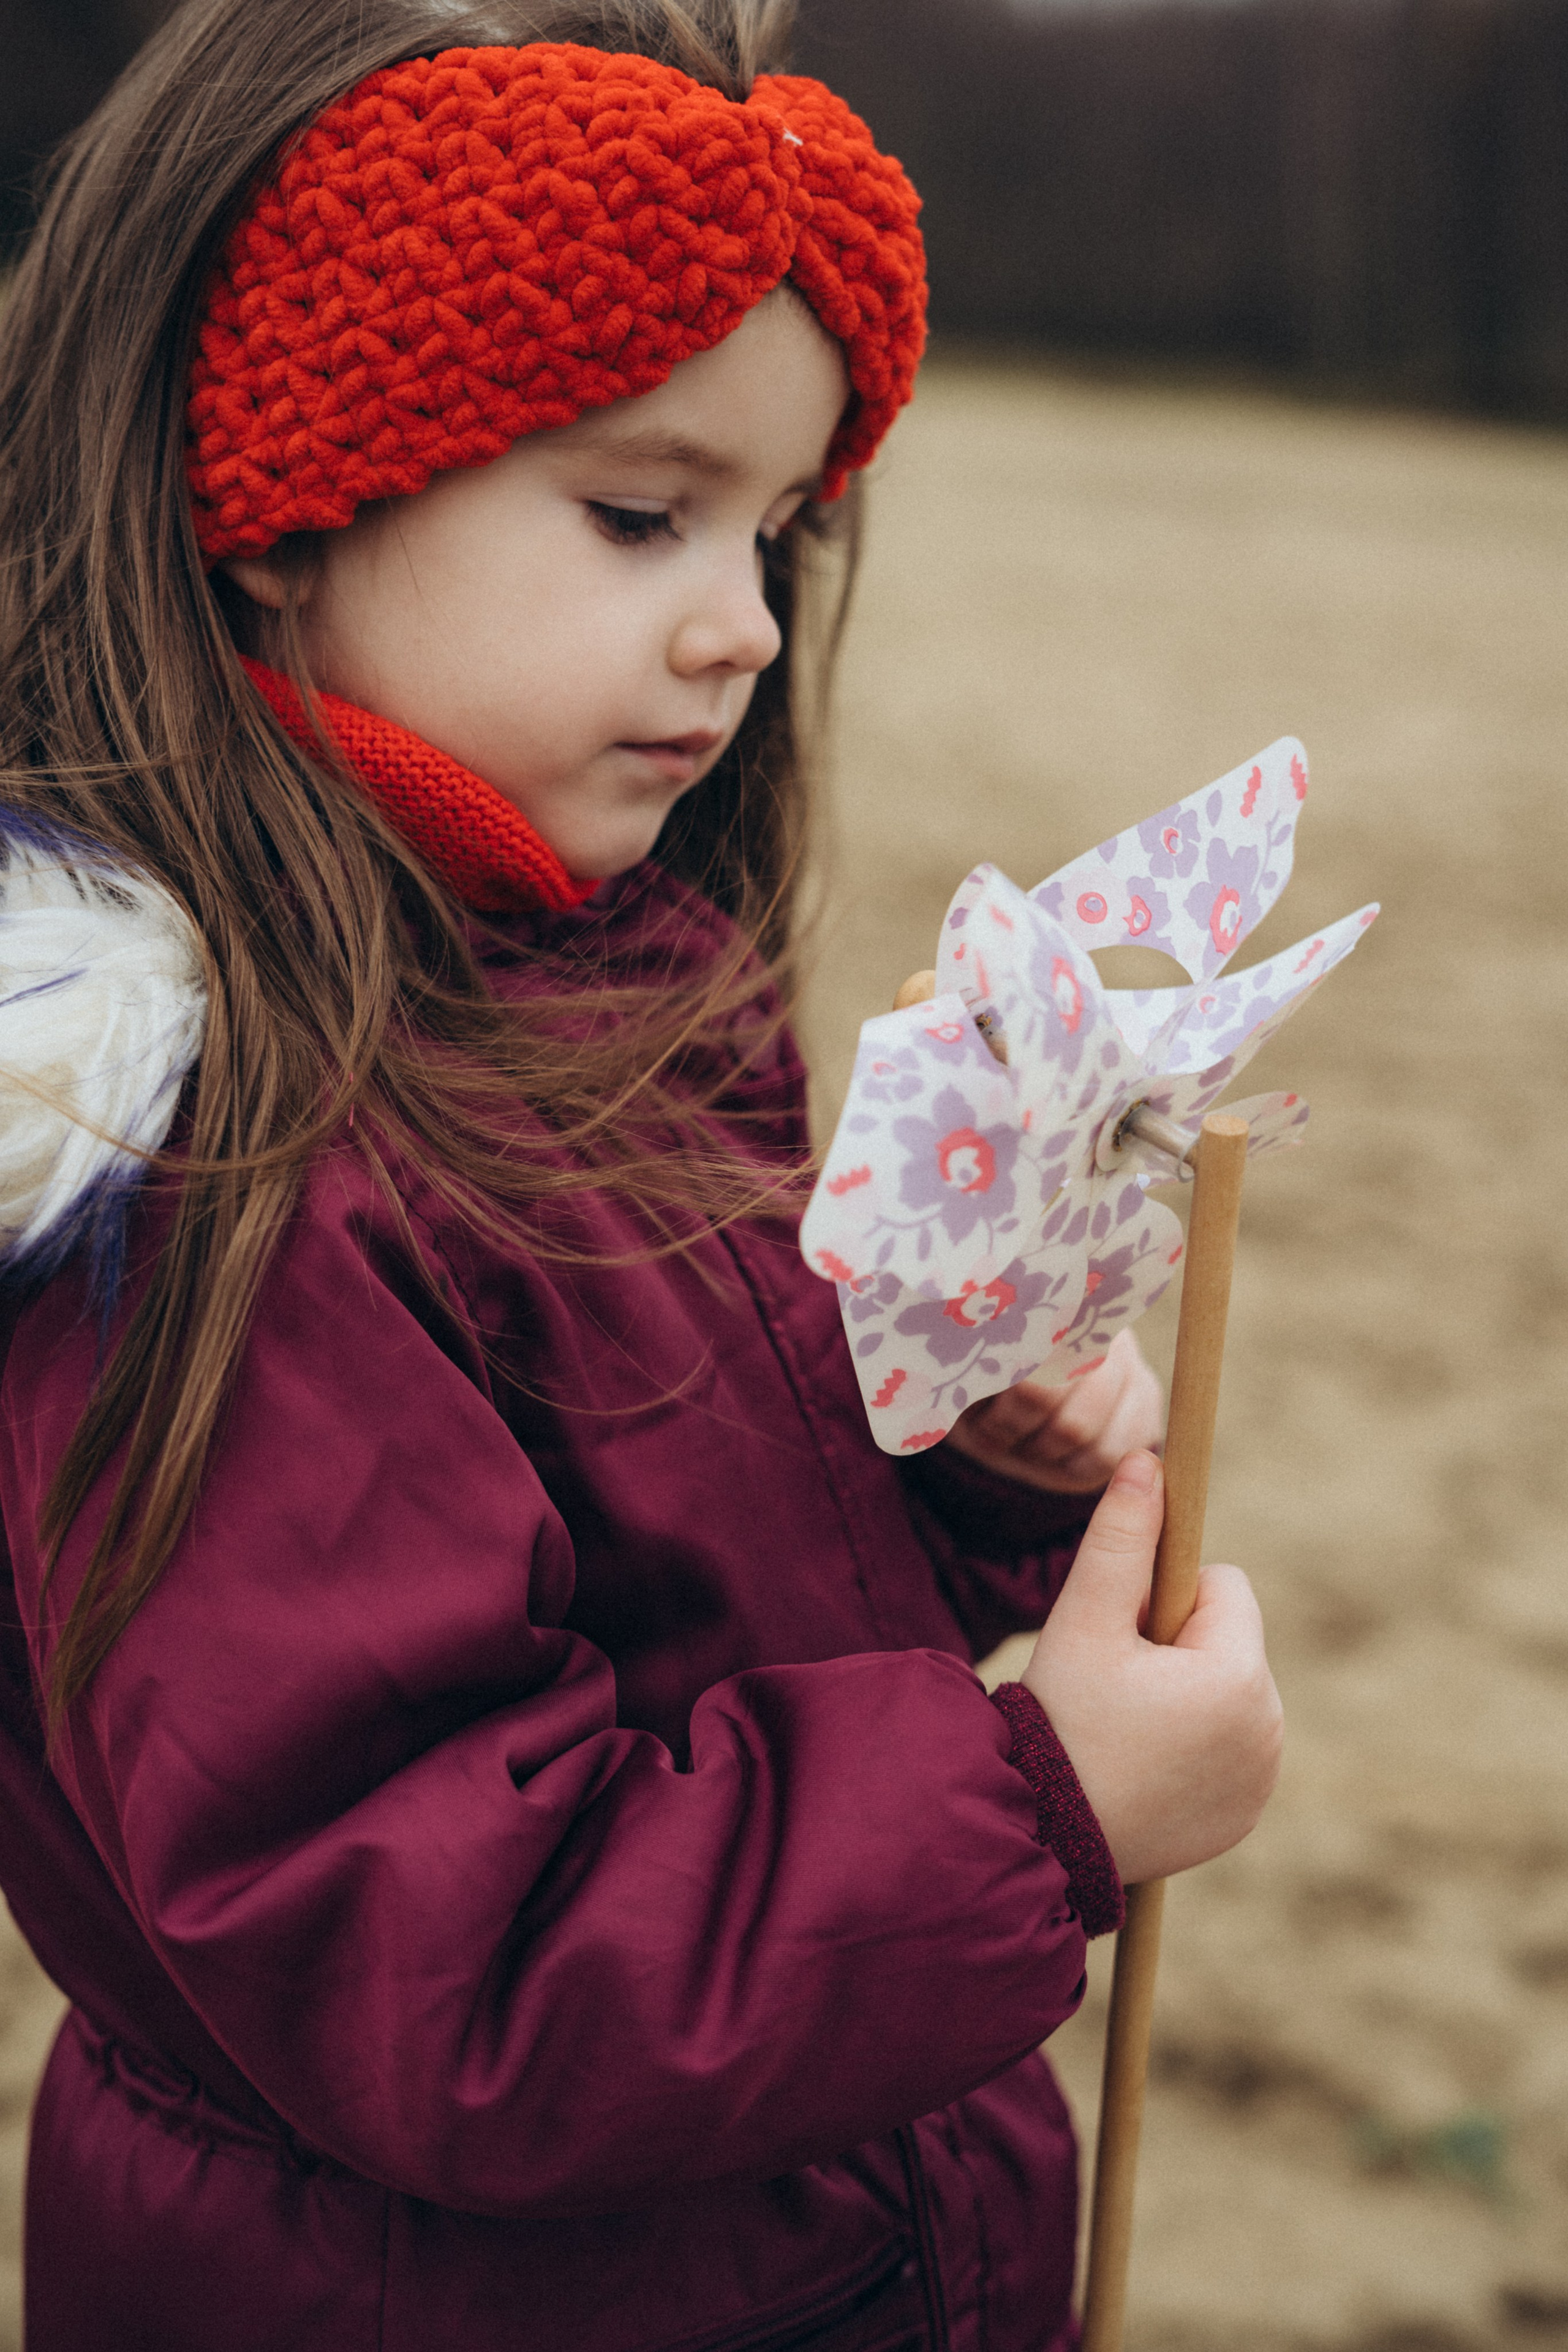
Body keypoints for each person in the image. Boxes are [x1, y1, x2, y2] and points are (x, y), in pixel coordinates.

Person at [0, 3, 1283, 2345]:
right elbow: (446, 1956)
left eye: (775, 532)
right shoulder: (206, 1148)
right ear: (284, 505)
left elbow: (695, 1600)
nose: (743, 626)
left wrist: (955, 1474)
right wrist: (1042, 1812)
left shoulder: (628, 984)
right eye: (636, 513)